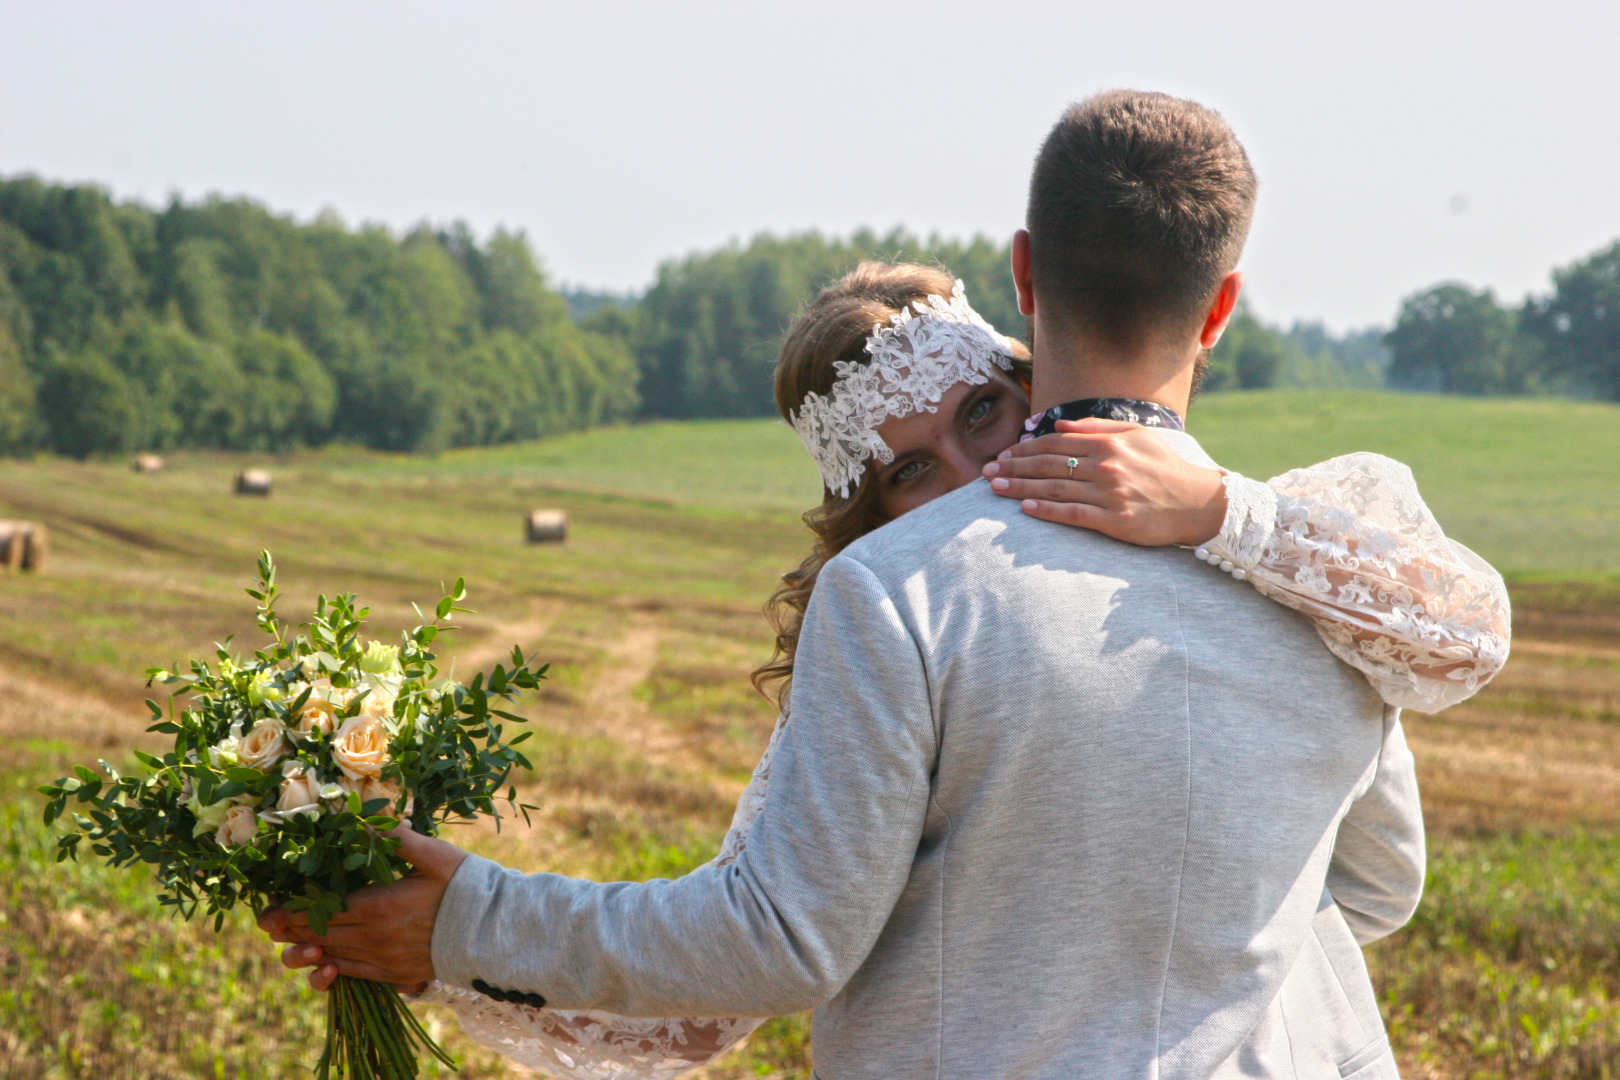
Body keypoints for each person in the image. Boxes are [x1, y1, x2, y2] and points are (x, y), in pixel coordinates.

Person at [264, 92, 1511, 1079]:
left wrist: (468, 921)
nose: (978, 471)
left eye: (983, 412)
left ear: (1027, 287)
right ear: (1222, 305)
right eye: (914, 472)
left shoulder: (913, 593)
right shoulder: (1330, 577)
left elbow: (780, 940)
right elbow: (1377, 886)